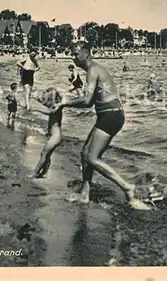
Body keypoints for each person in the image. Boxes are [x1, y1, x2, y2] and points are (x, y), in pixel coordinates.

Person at [53, 41, 149, 210]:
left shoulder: (93, 70)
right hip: (110, 114)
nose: (73, 57)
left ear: (86, 54)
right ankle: (85, 194)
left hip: (111, 115)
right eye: (72, 54)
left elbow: (87, 101)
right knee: (85, 153)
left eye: (76, 54)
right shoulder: (94, 70)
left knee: (92, 158)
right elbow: (90, 104)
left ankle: (128, 188)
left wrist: (65, 103)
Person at [30, 87, 64, 178]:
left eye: (48, 99)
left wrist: (36, 109)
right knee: (47, 154)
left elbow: (49, 112)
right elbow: (46, 106)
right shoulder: (54, 105)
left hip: (55, 137)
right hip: (55, 136)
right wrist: (37, 100)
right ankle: (44, 172)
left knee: (44, 153)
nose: (46, 102)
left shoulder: (57, 107)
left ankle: (35, 172)